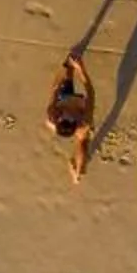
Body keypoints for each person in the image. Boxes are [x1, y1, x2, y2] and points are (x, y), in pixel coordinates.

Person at [45, 53, 95, 183]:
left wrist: (66, 70)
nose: (68, 113)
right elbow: (89, 90)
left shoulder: (52, 114)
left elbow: (55, 89)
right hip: (78, 103)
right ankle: (78, 172)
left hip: (65, 99)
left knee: (67, 72)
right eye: (70, 115)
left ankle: (77, 172)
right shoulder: (84, 122)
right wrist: (81, 69)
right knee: (83, 142)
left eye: (65, 114)